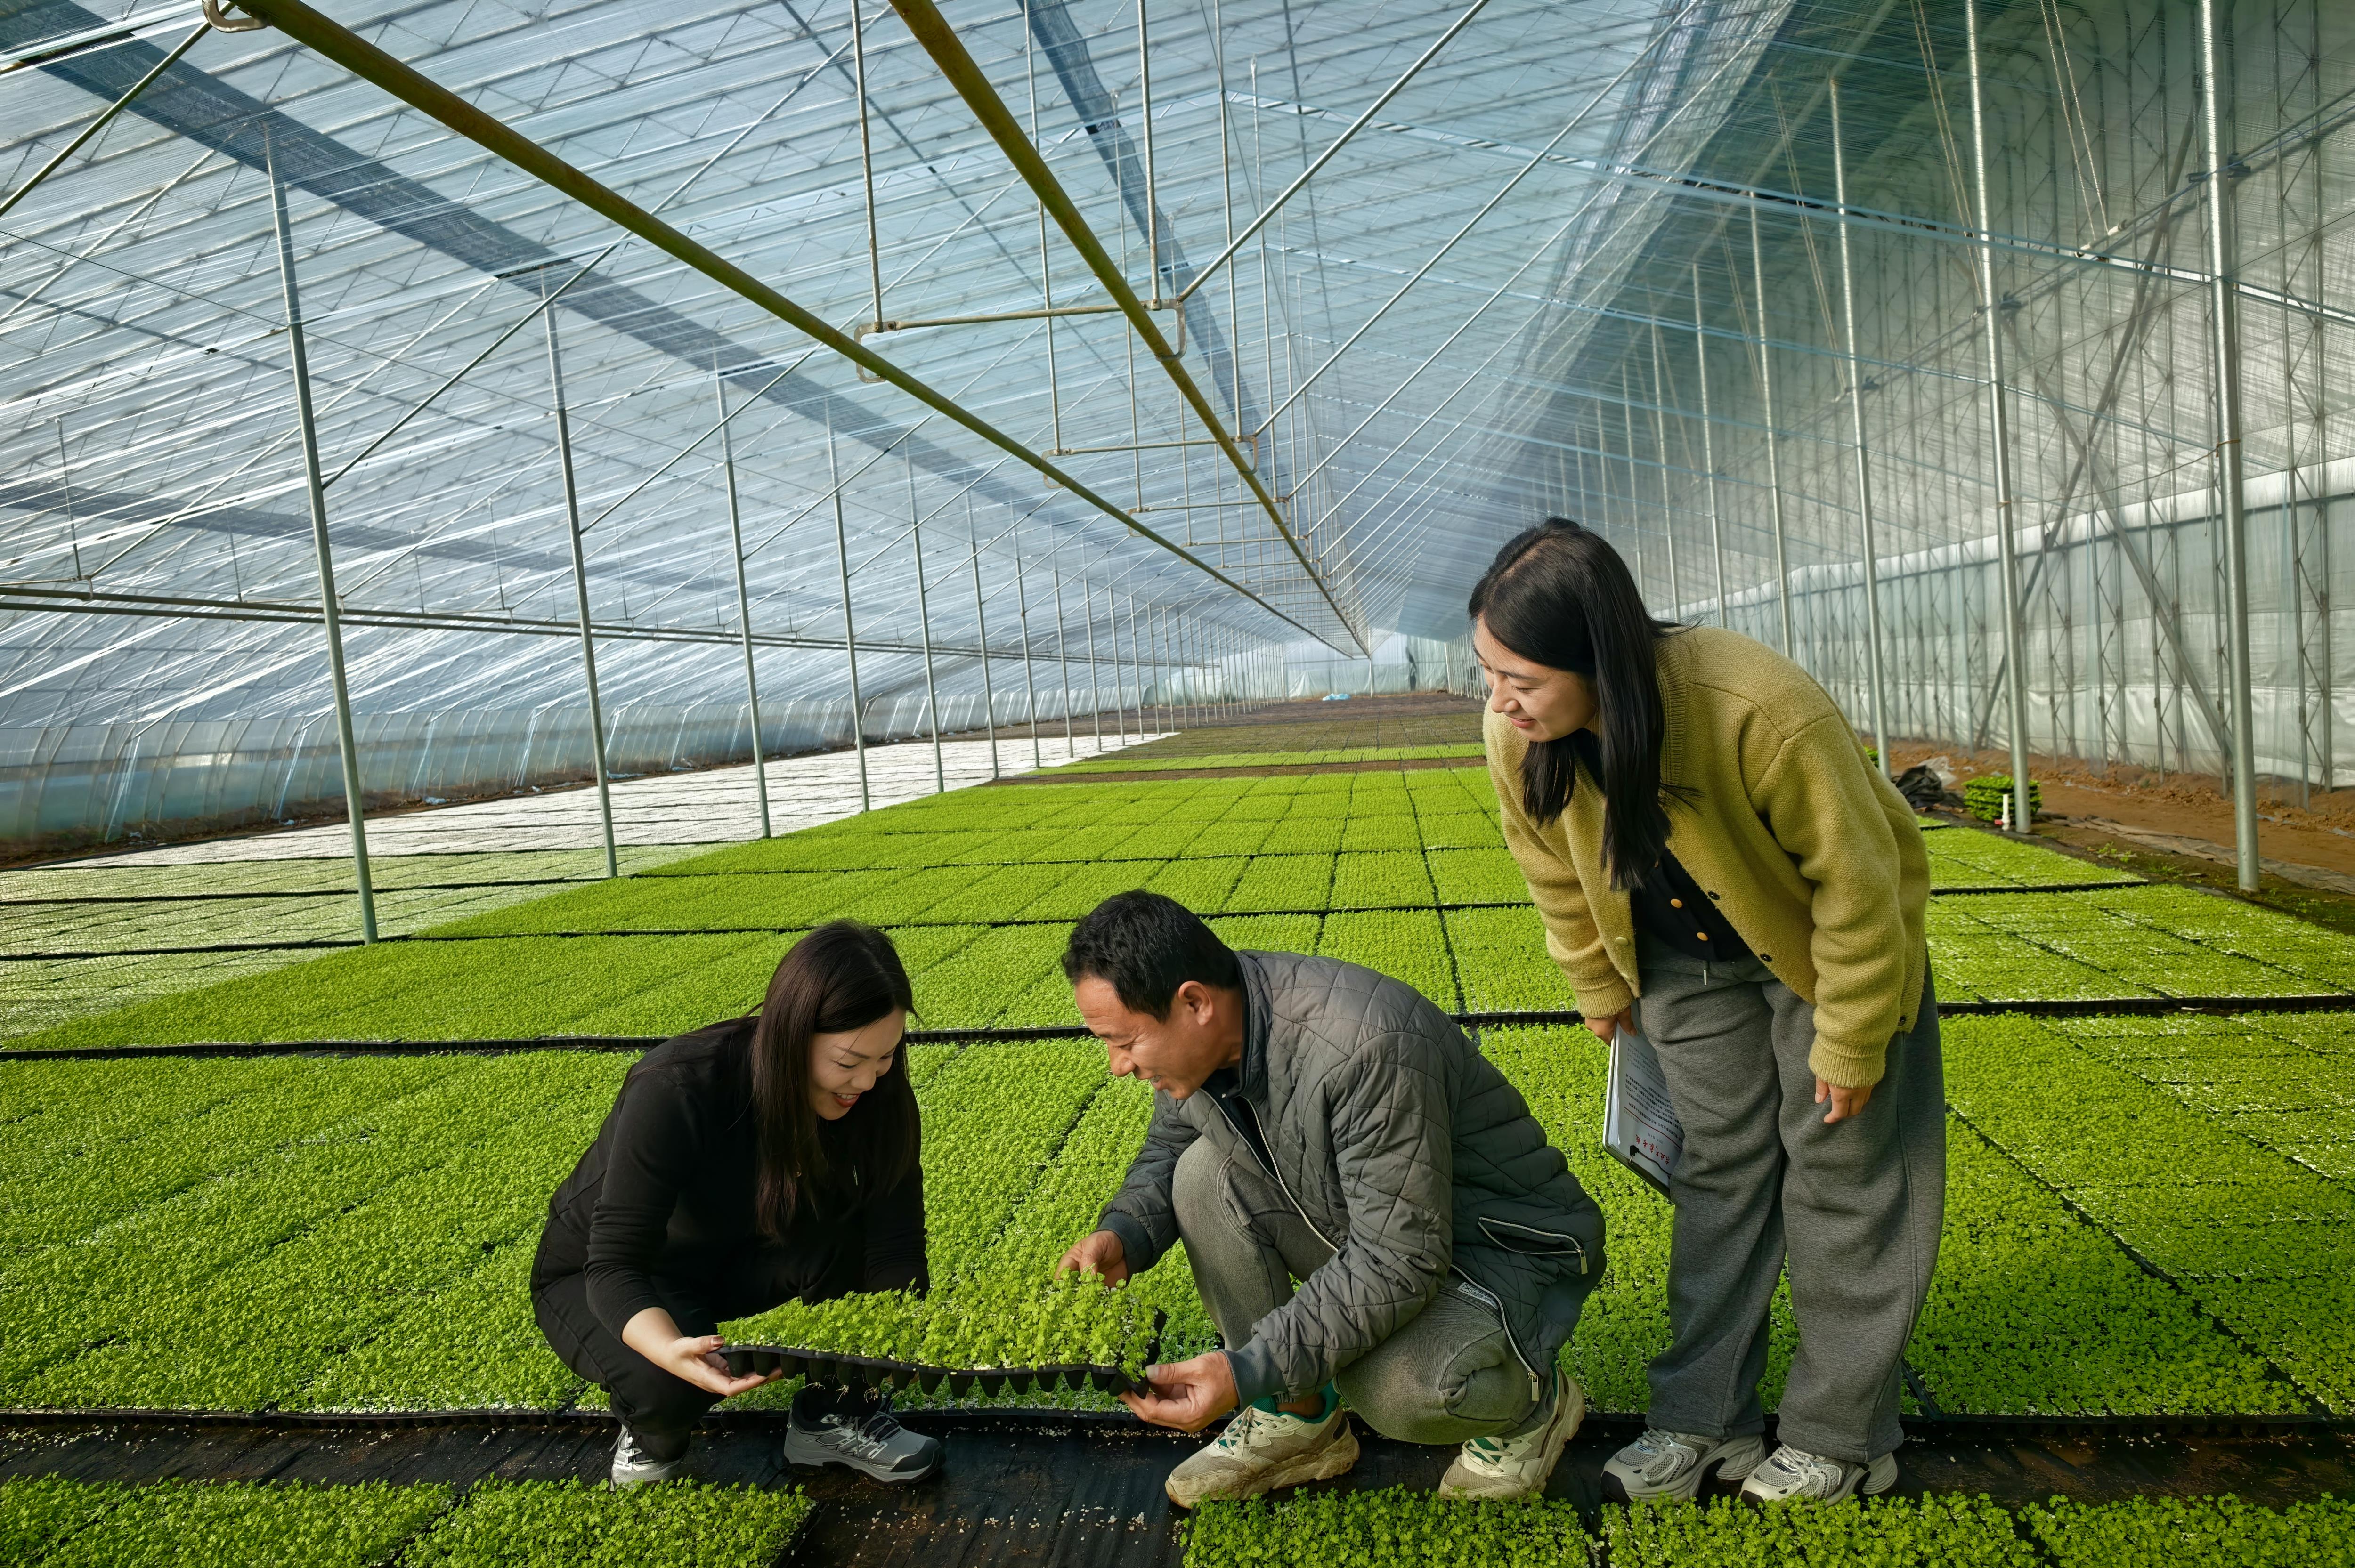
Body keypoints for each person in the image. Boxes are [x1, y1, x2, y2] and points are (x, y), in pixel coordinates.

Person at [1470, 518, 1942, 1504]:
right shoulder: (1517, 737)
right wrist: (1597, 983)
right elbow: (1549, 866)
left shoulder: (1754, 707)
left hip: (1819, 959)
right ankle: (1701, 1418)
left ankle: (1841, 1437)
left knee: (1843, 1181)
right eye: (1489, 671)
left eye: (1522, 678)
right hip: (1681, 969)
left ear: (1600, 662)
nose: (1500, 700)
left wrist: (1853, 1038)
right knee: (1717, 1181)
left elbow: (1860, 883)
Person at [1056, 891, 1606, 1507]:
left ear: (1194, 1003)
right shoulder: (1207, 1040)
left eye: (1124, 1041)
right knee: (1200, 1174)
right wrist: (1125, 1232)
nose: (1118, 1065)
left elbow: (1399, 1259)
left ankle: (1535, 1404)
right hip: (1380, 1225)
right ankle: (1296, 1420)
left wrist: (1247, 1369)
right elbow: (1171, 1144)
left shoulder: (1362, 1047)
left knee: (1395, 1391)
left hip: (1499, 1254)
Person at [532, 920, 943, 1488]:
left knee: (856, 1239)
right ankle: (650, 1432)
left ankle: (833, 1419)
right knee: (671, 1386)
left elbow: (895, 1243)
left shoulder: (877, 1092)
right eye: (848, 1063)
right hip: (612, 1274)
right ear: (791, 1037)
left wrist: (889, 1350)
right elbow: (613, 1264)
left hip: (738, 1253)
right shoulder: (678, 1088)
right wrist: (670, 1348)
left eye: (885, 1057)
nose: (868, 1082)